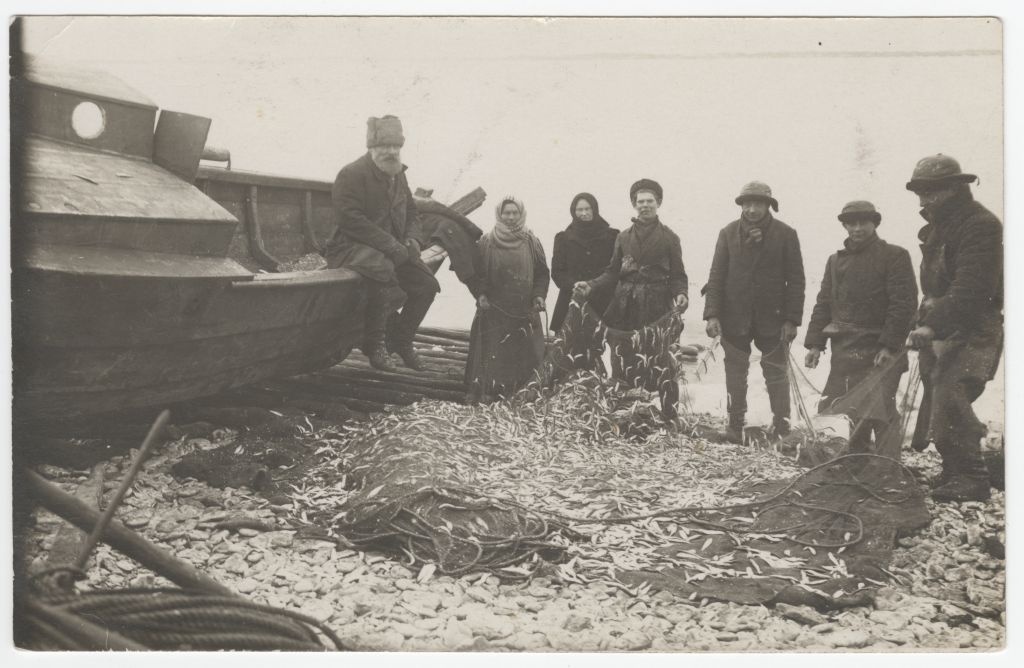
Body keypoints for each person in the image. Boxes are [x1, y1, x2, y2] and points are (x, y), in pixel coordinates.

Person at [904, 154, 1002, 502]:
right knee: (938, 399)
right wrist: (923, 321)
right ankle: (954, 471)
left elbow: (972, 289)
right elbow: (933, 287)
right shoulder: (937, 228)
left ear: (956, 188)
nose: (924, 199)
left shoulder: (980, 225)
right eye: (920, 192)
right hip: (943, 325)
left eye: (932, 191)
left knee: (951, 396)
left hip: (974, 329)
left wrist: (933, 326)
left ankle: (973, 479)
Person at [324, 115, 440, 372]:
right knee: (382, 271)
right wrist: (392, 245)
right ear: (371, 148)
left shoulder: (398, 174)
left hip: (391, 249)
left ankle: (401, 340)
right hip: (350, 248)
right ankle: (375, 345)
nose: (390, 152)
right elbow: (350, 220)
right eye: (384, 146)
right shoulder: (351, 174)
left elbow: (411, 211)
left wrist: (412, 239)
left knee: (427, 285)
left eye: (395, 146)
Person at [803, 201, 918, 456]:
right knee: (846, 406)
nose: (857, 228)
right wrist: (815, 345)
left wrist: (889, 346)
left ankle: (889, 464)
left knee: (881, 409)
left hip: (879, 348)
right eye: (851, 223)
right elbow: (824, 303)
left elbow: (904, 305)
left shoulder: (895, 256)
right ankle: (857, 458)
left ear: (874, 223)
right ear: (844, 225)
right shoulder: (835, 261)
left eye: (863, 222)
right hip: (844, 348)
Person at [574, 179, 688, 420]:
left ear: (659, 203)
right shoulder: (623, 238)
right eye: (640, 202)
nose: (644, 206)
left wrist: (681, 294)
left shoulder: (670, 238)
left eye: (649, 201)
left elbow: (678, 275)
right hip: (624, 306)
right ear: (634, 204)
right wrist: (591, 285)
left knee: (661, 358)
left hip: (656, 307)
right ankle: (622, 412)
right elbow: (612, 272)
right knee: (622, 357)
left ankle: (669, 414)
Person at [703, 181, 805, 443]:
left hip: (773, 318)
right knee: (735, 372)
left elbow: (796, 280)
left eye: (757, 203)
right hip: (734, 317)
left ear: (769, 206)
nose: (751, 209)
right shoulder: (727, 233)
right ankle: (735, 426)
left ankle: (782, 428)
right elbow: (716, 276)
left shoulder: (786, 234)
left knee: (776, 372)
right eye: (746, 204)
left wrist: (792, 319)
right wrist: (712, 314)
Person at [465, 196, 549, 402]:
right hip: (494, 310)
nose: (511, 217)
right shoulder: (487, 241)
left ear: (521, 214)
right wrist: (481, 294)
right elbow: (476, 274)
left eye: (515, 213)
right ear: (499, 214)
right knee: (491, 354)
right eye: (506, 213)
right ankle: (487, 395)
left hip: (523, 309)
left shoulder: (531, 241)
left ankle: (522, 396)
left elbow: (542, 273)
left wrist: (538, 295)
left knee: (525, 354)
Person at [549, 193, 619, 333]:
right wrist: (574, 286)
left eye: (588, 209)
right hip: (571, 300)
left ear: (595, 209)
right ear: (573, 212)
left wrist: (595, 285)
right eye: (579, 210)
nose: (584, 213)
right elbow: (557, 272)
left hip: (603, 302)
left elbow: (616, 269)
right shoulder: (563, 238)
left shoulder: (612, 236)